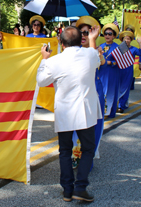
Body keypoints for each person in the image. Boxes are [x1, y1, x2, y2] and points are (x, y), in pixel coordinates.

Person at [36, 26, 101, 202]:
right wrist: (93, 39)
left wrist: (44, 59)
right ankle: (80, 187)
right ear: (82, 39)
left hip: (64, 111)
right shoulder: (89, 54)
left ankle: (67, 190)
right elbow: (97, 60)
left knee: (64, 151)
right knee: (88, 149)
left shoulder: (54, 61)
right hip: (85, 112)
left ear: (61, 43)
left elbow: (41, 81)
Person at [72, 16, 105, 169]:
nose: (84, 35)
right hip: (76, 95)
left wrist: (94, 46)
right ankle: (75, 157)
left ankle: (87, 160)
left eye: (87, 32)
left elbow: (98, 62)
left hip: (94, 95)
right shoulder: (71, 51)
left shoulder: (97, 51)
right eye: (81, 32)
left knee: (91, 128)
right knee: (74, 127)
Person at [98, 23, 120, 118]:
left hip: (112, 73)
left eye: (110, 34)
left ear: (114, 36)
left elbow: (121, 62)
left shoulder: (118, 47)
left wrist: (111, 63)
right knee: (101, 91)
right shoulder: (100, 46)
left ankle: (108, 111)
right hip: (102, 72)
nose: (107, 35)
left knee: (110, 91)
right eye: (106, 33)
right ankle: (100, 111)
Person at [118, 31, 141, 112]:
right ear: (122, 40)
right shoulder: (119, 48)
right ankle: (120, 103)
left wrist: (140, 43)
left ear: (131, 40)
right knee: (118, 88)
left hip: (128, 71)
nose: (127, 40)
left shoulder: (133, 49)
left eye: (128, 39)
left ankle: (121, 106)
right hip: (119, 70)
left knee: (125, 88)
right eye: (125, 39)